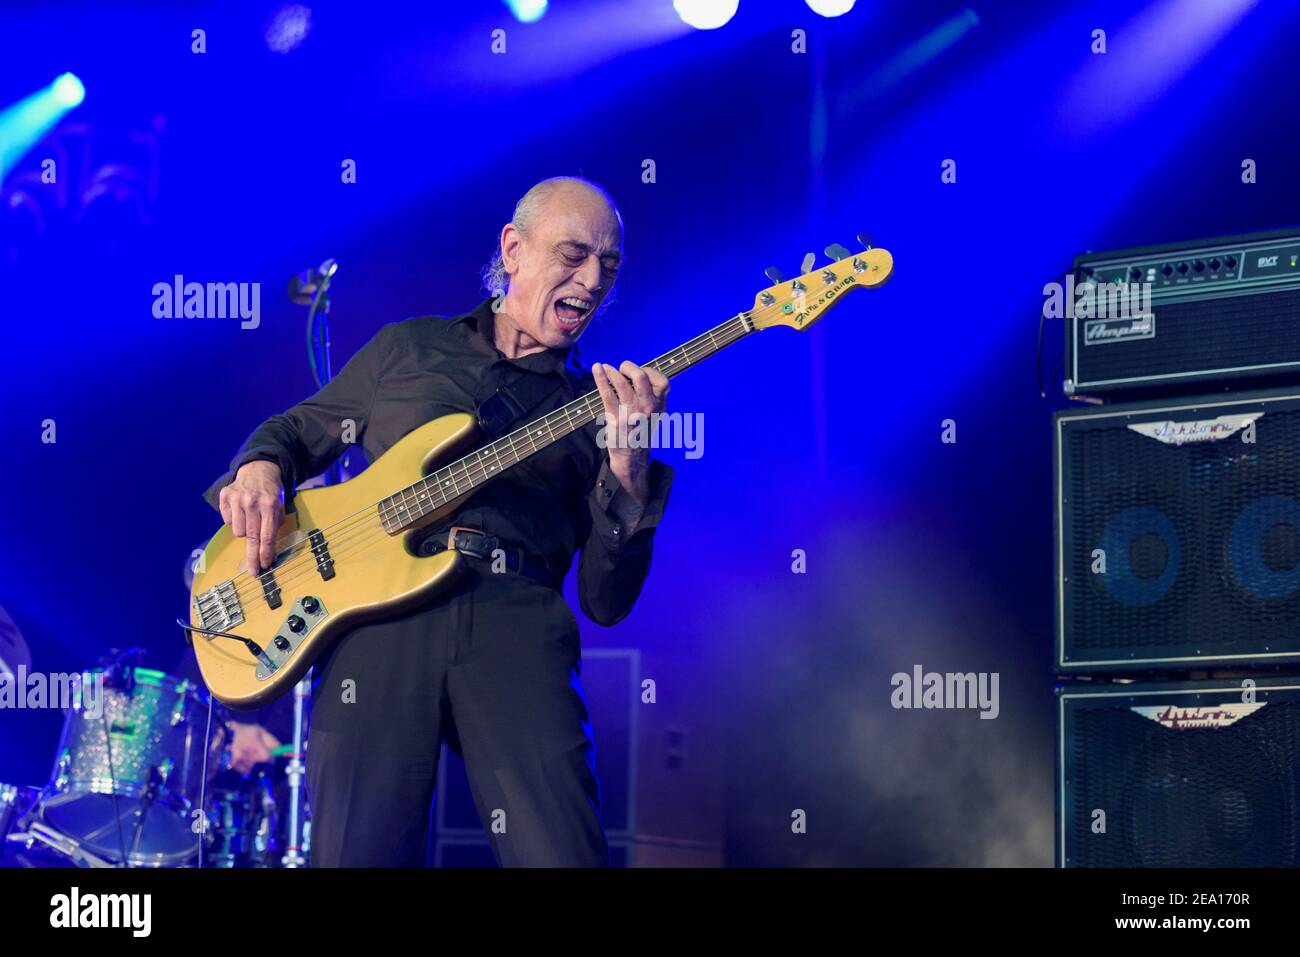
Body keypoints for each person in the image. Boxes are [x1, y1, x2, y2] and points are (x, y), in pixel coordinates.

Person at [202, 177, 672, 866]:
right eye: (574, 255)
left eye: (610, 265)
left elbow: (606, 600)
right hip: (376, 616)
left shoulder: (596, 411)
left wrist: (628, 472)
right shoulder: (411, 350)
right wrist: (260, 466)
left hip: (515, 619)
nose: (593, 279)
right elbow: (299, 430)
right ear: (514, 249)